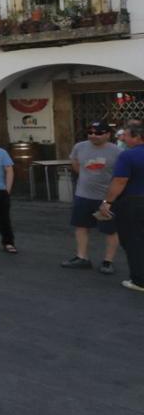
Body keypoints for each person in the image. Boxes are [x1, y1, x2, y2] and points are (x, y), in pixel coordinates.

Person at [64, 121, 122, 274]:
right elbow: (75, 163)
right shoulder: (79, 147)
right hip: (83, 195)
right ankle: (82, 257)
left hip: (105, 198)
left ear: (108, 134)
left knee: (110, 230)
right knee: (81, 226)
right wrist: (86, 177)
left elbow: (120, 176)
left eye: (98, 133)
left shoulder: (116, 151)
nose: (93, 136)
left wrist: (110, 197)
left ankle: (108, 261)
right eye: (90, 132)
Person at [101, 123, 144, 292]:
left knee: (134, 241)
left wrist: (107, 202)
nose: (122, 138)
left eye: (125, 135)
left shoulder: (128, 156)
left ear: (137, 137)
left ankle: (140, 281)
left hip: (133, 203)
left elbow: (120, 181)